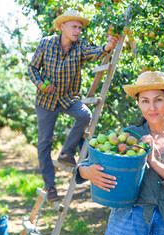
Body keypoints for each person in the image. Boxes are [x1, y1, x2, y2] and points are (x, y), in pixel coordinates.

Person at [75, 71, 164, 235]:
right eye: (145, 101)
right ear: (139, 104)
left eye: (158, 100)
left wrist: (153, 161)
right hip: (127, 219)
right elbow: (85, 164)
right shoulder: (130, 136)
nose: (152, 107)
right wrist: (86, 172)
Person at [28, 9, 120, 201]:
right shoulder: (46, 43)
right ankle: (50, 186)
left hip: (68, 97)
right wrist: (40, 84)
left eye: (80, 27)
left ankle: (67, 152)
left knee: (85, 115)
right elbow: (33, 67)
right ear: (63, 26)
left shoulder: (80, 47)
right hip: (46, 99)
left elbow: (96, 52)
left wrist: (108, 46)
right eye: (74, 26)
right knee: (44, 142)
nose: (78, 30)